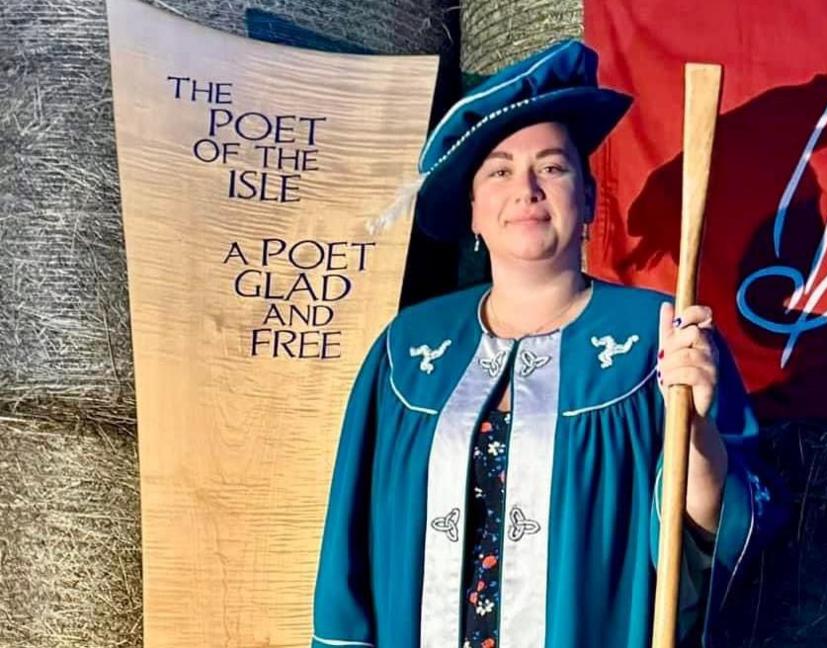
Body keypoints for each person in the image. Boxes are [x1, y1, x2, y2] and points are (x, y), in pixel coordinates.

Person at [311, 39, 785, 648]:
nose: (526, 189)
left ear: (587, 199)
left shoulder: (658, 338)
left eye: (553, 167)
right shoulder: (410, 350)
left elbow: (711, 538)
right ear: (474, 213)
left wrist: (694, 431)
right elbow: (349, 546)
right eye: (500, 170)